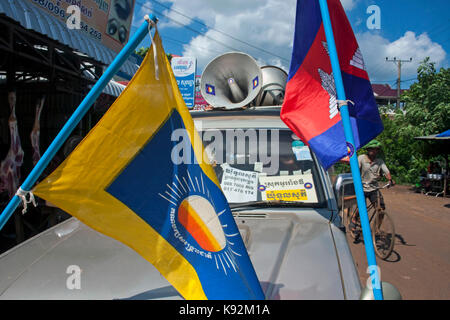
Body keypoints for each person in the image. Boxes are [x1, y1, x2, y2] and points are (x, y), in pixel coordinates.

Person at [349, 139, 394, 235]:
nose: (374, 151)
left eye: (376, 149)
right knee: (362, 208)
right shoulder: (361, 158)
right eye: (372, 149)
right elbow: (355, 170)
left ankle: (376, 228)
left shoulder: (379, 161)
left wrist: (390, 180)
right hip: (362, 187)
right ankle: (354, 219)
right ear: (368, 150)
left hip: (374, 188)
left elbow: (386, 171)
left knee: (381, 209)